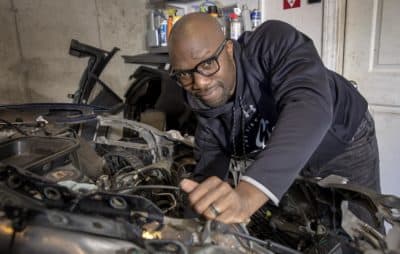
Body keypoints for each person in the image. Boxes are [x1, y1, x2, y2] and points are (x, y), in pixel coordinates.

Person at [167, 13, 381, 225]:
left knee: (361, 229)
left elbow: (309, 104)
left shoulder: (271, 41)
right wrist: (185, 227)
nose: (200, 83)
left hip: (344, 139)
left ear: (229, 49)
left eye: (208, 64)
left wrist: (249, 194)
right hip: (286, 156)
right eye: (185, 74)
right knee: (312, 229)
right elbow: (209, 166)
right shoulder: (198, 100)